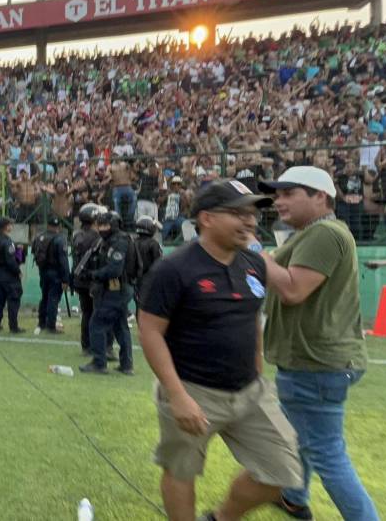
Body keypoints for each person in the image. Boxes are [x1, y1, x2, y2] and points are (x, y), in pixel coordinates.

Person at [137, 179, 302, 521]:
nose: (250, 221)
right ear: (207, 218)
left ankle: (220, 518)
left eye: (252, 214)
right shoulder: (174, 269)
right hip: (193, 390)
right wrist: (177, 395)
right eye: (238, 213)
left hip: (250, 391)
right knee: (181, 469)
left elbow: (251, 317)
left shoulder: (254, 264)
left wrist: (257, 370)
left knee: (283, 470)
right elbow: (150, 332)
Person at [257, 166, 380, 520]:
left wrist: (257, 255)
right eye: (277, 195)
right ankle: (293, 497)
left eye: (288, 193)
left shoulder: (324, 233)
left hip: (315, 365)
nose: (278, 201)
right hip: (316, 362)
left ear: (320, 197)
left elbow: (293, 289)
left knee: (327, 453)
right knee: (298, 436)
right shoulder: (311, 233)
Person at [78, 211, 134, 375]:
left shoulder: (119, 242)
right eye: (100, 225)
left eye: (105, 225)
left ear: (114, 225)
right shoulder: (107, 241)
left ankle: (99, 362)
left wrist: (93, 275)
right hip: (115, 289)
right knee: (120, 326)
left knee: (96, 324)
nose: (102, 228)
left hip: (115, 289)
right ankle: (126, 365)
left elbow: (114, 269)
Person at [72, 203, 110, 355]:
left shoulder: (77, 235)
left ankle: (86, 345)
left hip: (80, 280)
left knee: (86, 313)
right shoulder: (98, 238)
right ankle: (97, 346)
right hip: (94, 280)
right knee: (97, 314)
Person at [34, 217, 71, 335]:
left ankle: (41, 322)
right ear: (59, 226)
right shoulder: (60, 239)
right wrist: (66, 279)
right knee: (53, 300)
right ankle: (51, 326)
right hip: (56, 273)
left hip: (43, 272)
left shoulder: (39, 237)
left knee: (45, 297)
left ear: (48, 225)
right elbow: (63, 261)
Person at [0, 217, 23, 333]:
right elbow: (10, 261)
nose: (11, 226)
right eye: (10, 224)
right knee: (13, 300)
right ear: (6, 227)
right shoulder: (7, 242)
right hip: (8, 275)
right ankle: (14, 327)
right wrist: (18, 271)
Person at [134, 216, 163, 300]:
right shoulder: (153, 244)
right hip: (150, 279)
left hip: (136, 279)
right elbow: (158, 263)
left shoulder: (133, 241)